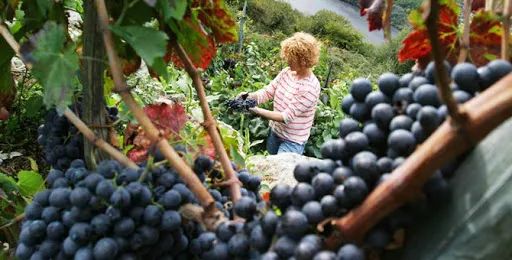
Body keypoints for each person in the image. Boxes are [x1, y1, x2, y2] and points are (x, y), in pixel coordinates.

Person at [239, 32, 321, 155]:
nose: (287, 60)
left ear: (303, 60)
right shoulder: (286, 73)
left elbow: (285, 117)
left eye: (291, 58)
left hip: (292, 142)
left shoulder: (310, 87)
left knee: (276, 173)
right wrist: (248, 96)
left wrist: (255, 110)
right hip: (275, 133)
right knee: (268, 170)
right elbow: (267, 92)